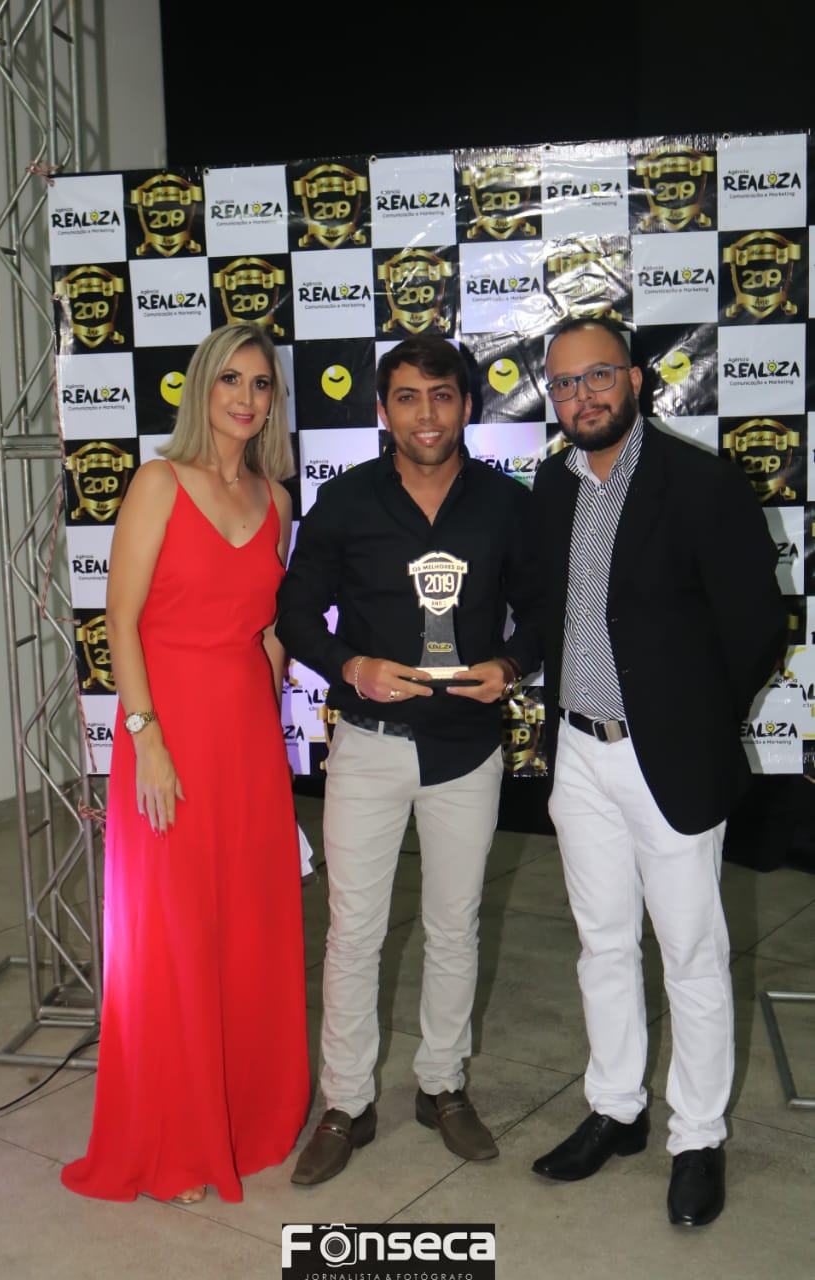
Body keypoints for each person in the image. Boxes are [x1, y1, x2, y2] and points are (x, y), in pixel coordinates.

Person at [529, 317, 787, 1226]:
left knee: (691, 954)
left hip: (666, 756)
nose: (582, 397)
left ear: (635, 379)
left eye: (598, 376)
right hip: (576, 752)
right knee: (601, 943)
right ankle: (616, 1109)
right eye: (564, 384)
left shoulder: (702, 484)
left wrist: (692, 723)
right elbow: (549, 610)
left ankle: (697, 1137)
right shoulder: (551, 484)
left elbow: (756, 627)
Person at [275, 334, 539, 1185]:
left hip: (465, 750)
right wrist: (349, 665)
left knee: (454, 927)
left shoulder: (505, 504)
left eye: (441, 395)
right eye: (407, 397)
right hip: (368, 745)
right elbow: (295, 612)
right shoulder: (346, 501)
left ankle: (442, 1086)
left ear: (467, 404)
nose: (426, 414)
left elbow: (543, 610)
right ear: (382, 409)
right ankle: (346, 1103)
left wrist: (511, 664)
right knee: (353, 933)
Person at [61, 322, 309, 1204]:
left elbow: (267, 629)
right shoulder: (158, 482)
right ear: (203, 388)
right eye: (230, 380)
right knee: (171, 937)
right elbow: (118, 619)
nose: (246, 397)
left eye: (261, 384)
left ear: (273, 402)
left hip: (246, 738)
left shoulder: (277, 500)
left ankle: (240, 1117)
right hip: (165, 737)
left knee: (246, 926)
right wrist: (146, 738)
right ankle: (176, 1135)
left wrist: (273, 725)